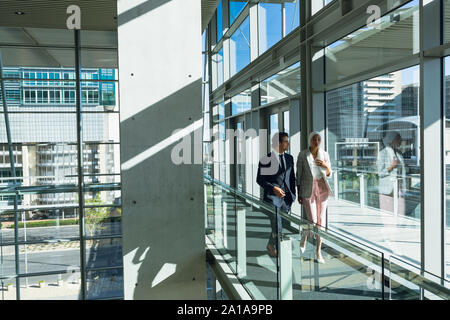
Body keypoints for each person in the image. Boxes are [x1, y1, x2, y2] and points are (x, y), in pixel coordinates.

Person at [256, 132, 296, 258]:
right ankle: (279, 251)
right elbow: (260, 180)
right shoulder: (266, 159)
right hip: (272, 198)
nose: (288, 143)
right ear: (278, 143)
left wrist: (294, 195)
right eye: (285, 141)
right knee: (277, 225)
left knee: (281, 225)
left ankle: (270, 244)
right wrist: (273, 188)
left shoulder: (290, 158)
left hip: (286, 199)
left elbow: (292, 178)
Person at [296, 131, 332, 264]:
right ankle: (304, 235)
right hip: (307, 189)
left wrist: (325, 166)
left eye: (318, 139)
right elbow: (298, 175)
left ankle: (318, 251)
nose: (316, 141)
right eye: (314, 139)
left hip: (322, 188)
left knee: (321, 222)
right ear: (309, 140)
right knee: (312, 221)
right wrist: (298, 192)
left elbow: (329, 173)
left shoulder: (325, 154)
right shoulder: (302, 154)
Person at [377, 131, 406, 215]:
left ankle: (399, 226)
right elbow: (380, 173)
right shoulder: (382, 153)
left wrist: (403, 186)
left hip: (399, 188)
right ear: (392, 140)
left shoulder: (399, 153)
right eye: (399, 139)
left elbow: (402, 170)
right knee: (387, 213)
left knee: (401, 211)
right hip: (387, 189)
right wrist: (392, 166)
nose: (401, 141)